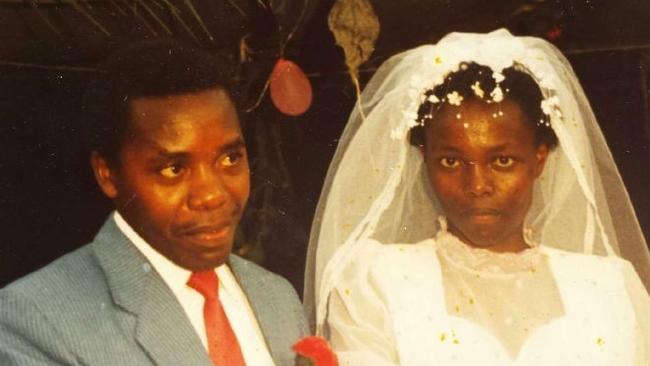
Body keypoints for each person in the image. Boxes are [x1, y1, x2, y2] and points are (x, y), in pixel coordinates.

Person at [304, 29, 650, 365]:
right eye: (451, 161)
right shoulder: (376, 282)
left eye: (502, 161)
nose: (477, 184)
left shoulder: (609, 288)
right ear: (425, 161)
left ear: (539, 160)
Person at [0, 39, 307, 365]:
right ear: (107, 174)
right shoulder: (33, 321)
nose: (212, 194)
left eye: (230, 159)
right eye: (174, 169)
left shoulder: (278, 298)